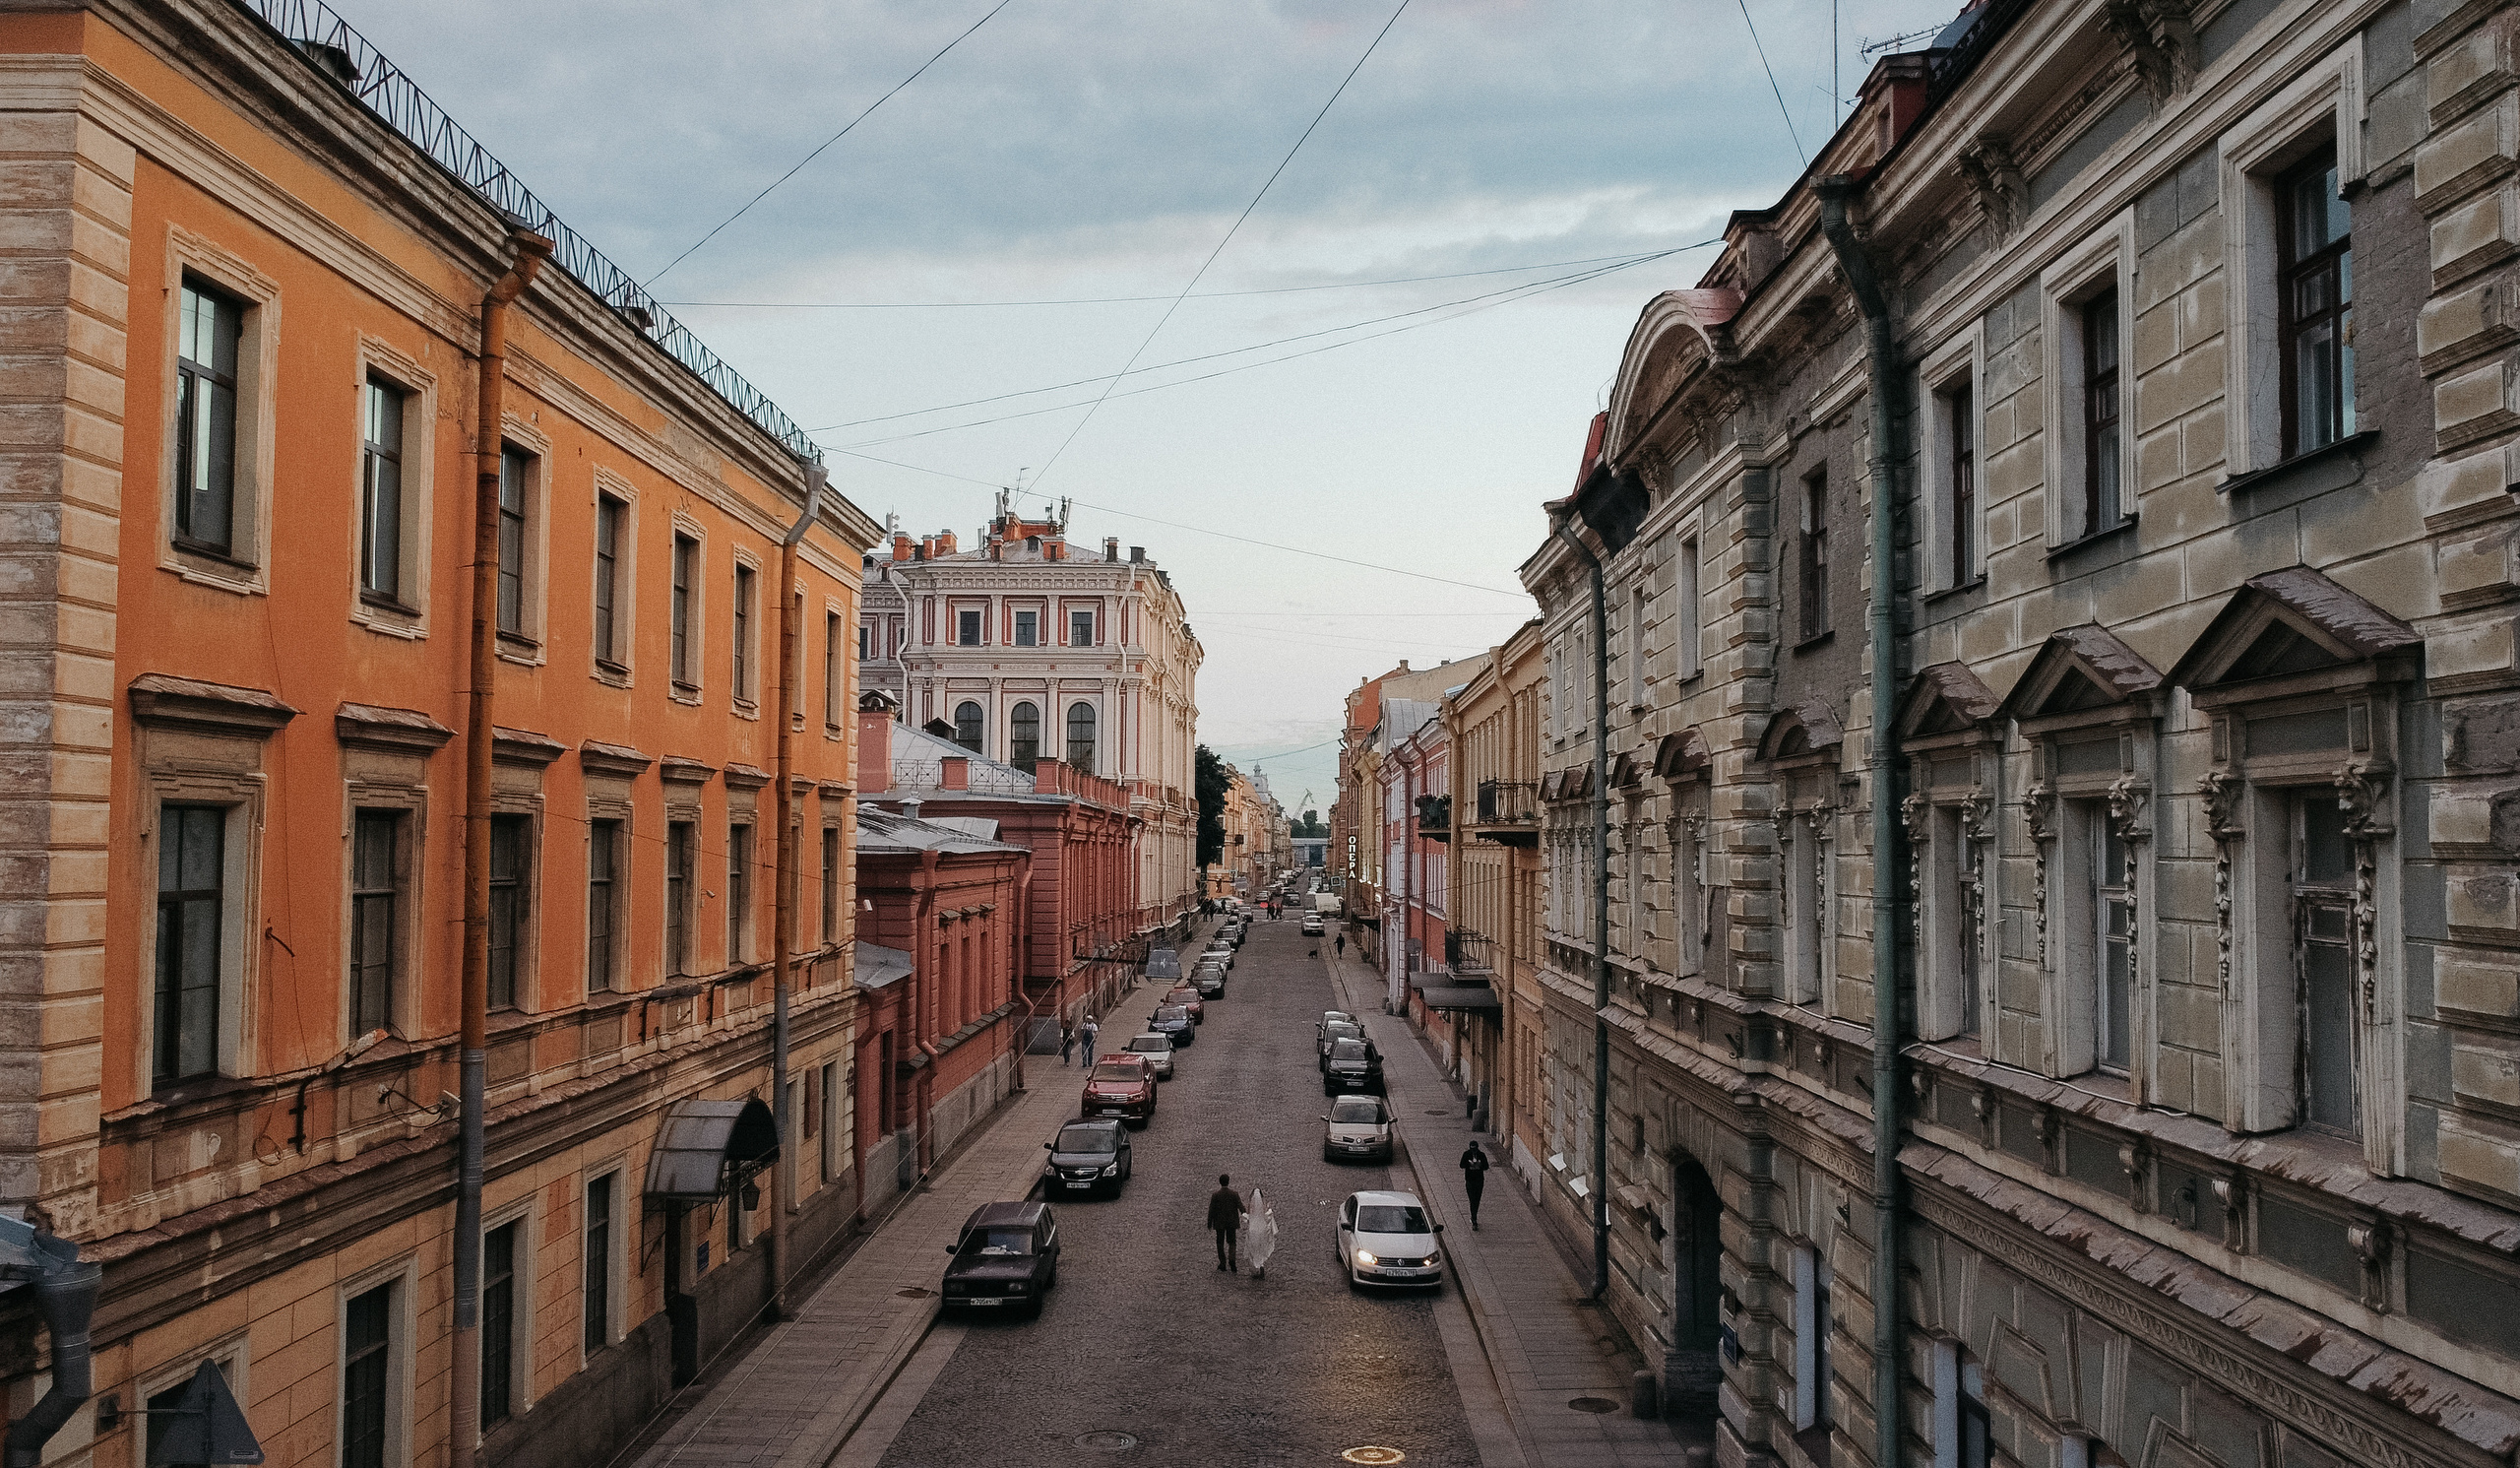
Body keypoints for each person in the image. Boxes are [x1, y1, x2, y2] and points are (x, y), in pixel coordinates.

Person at [1207, 1175, 1246, 1272]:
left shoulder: (1215, 1195)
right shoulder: (1234, 1194)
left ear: (1220, 1182)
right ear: (1228, 1182)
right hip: (1231, 1222)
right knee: (1232, 1242)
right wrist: (1245, 1214)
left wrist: (1209, 1222)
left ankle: (1223, 1263)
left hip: (1219, 1222)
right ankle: (1232, 1259)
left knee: (1220, 1242)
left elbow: (1211, 1210)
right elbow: (1241, 1207)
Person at [1461, 1141, 1490, 1230]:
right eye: (1472, 1149)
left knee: (1477, 1199)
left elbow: (1486, 1166)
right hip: (1470, 1180)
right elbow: (1461, 1165)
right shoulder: (1466, 1154)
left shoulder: (1481, 1155)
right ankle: (1474, 1219)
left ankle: (1474, 1216)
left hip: (1479, 1180)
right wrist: (1469, 1164)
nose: (1474, 1152)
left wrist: (1479, 1165)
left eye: (1475, 1150)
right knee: (1472, 1199)